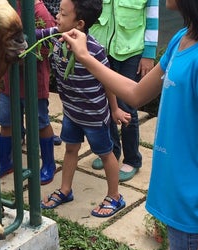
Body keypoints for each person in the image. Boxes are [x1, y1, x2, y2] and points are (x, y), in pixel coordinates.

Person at [59, 0, 198, 250]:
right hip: (181, 198)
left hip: (196, 211)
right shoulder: (184, 39)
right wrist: (85, 57)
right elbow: (136, 93)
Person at [38, 0, 126, 218]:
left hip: (94, 116)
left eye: (63, 14)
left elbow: (108, 82)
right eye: (58, 11)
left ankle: (115, 196)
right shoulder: (56, 36)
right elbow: (33, 35)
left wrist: (114, 109)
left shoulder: (94, 50)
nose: (57, 16)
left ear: (79, 24)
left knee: (106, 154)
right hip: (71, 112)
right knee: (70, 149)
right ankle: (65, 190)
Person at [0, 0, 57, 185]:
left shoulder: (39, 11)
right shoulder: (5, 7)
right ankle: (4, 162)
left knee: (40, 122)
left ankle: (48, 164)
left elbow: (48, 46)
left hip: (33, 79)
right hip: (9, 79)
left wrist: (26, 54)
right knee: (6, 121)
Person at [87, 0, 159, 182]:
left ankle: (133, 159)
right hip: (101, 49)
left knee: (127, 106)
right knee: (105, 103)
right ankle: (111, 150)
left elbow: (152, 18)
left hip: (131, 51)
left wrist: (149, 54)